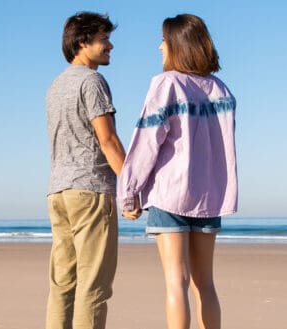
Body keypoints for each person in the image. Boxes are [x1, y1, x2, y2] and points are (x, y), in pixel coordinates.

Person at [118, 14, 237, 329]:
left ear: (176, 45)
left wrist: (128, 192)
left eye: (162, 40)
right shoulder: (222, 91)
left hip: (171, 195)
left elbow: (146, 140)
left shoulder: (166, 84)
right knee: (205, 284)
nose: (159, 47)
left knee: (176, 282)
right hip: (209, 197)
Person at [45, 12, 126, 329]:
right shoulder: (92, 81)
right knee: (94, 287)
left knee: (62, 285)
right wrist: (132, 188)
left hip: (59, 192)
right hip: (91, 191)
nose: (110, 46)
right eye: (104, 39)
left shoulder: (55, 86)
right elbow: (107, 140)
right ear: (83, 42)